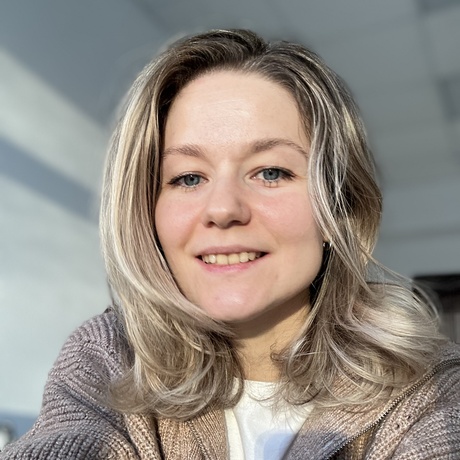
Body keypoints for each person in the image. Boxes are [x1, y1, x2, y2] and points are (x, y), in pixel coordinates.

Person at [2, 28, 460, 460]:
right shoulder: (108, 356)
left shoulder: (432, 389)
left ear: (337, 207)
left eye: (271, 172)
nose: (222, 209)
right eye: (188, 177)